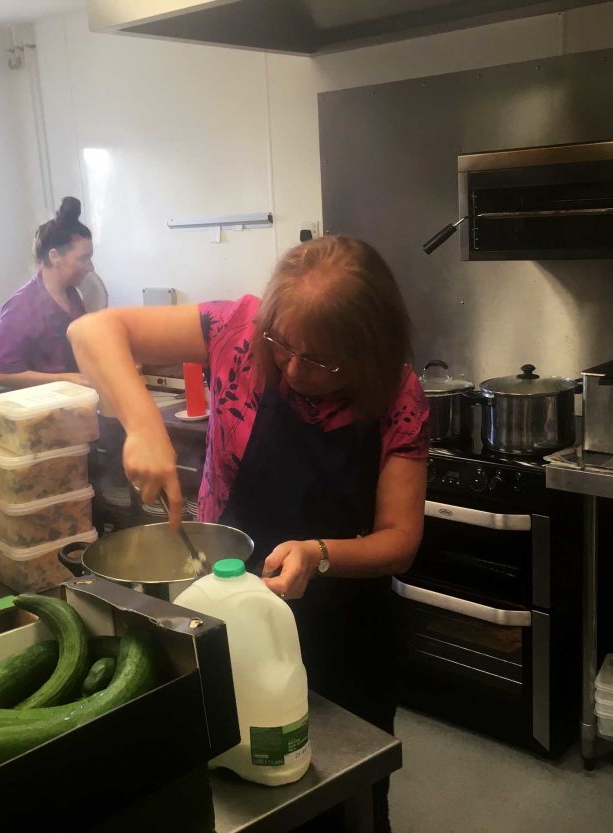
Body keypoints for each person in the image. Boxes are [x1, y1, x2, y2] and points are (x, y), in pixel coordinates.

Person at [68, 236, 428, 833]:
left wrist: (320, 554)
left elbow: (400, 539)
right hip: (226, 611)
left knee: (345, 805)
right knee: (234, 789)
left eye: (320, 361)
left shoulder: (397, 394)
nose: (292, 368)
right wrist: (142, 426)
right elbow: (92, 331)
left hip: (341, 627)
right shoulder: (236, 331)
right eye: (283, 345)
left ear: (366, 352)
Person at [0, 197, 95, 388]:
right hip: (43, 412)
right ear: (55, 256)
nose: (90, 267)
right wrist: (64, 379)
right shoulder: (21, 307)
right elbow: (0, 374)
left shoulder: (73, 297)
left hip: (77, 406)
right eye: (83, 259)